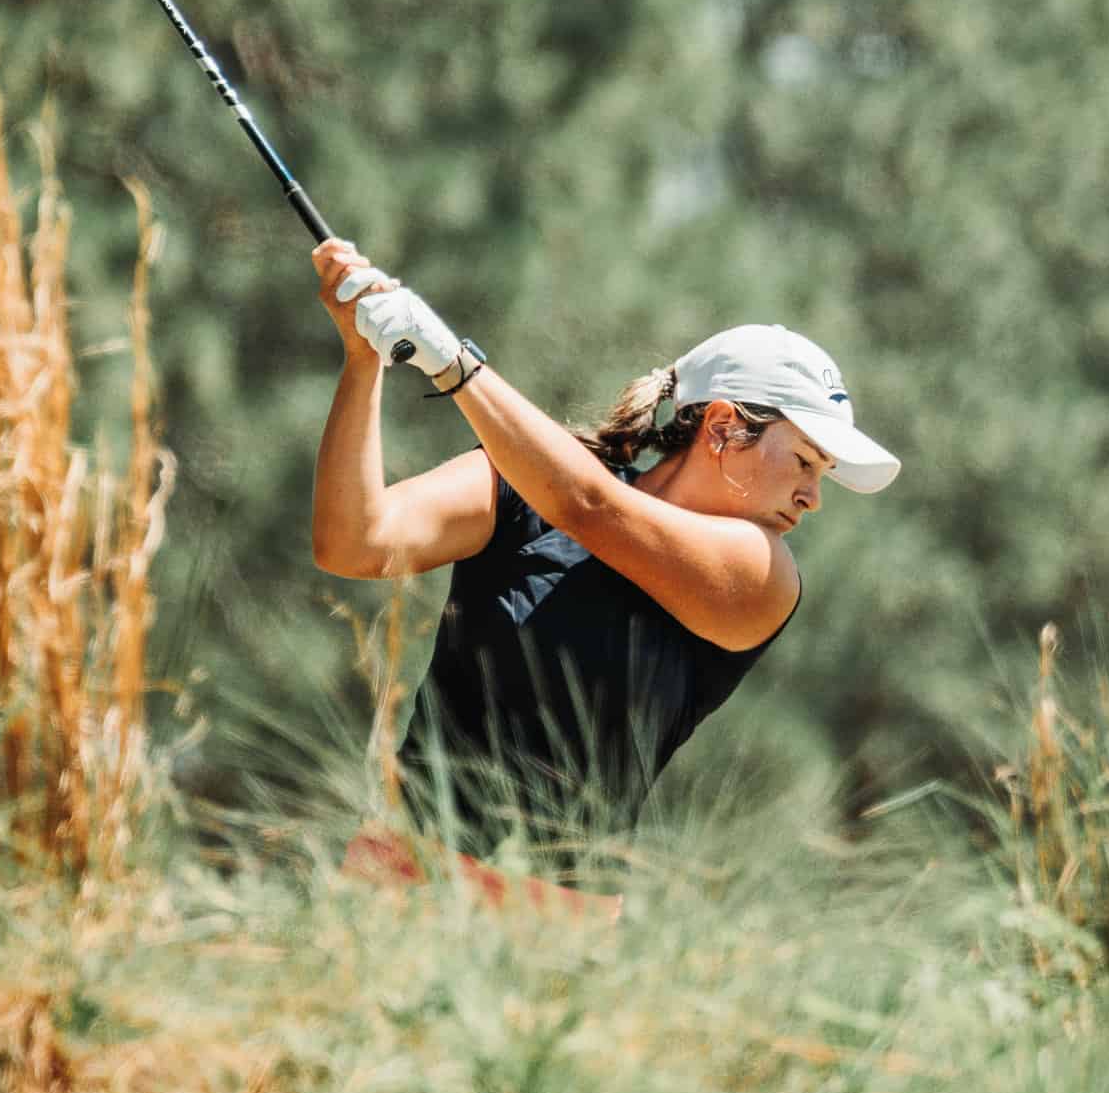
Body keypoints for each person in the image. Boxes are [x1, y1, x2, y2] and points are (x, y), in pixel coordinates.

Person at [309, 237, 900, 867]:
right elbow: (353, 543)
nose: (813, 496)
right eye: (805, 462)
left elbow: (587, 507)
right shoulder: (521, 487)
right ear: (724, 426)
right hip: (395, 875)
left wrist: (453, 364)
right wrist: (363, 357)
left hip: (551, 924)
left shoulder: (762, 573)